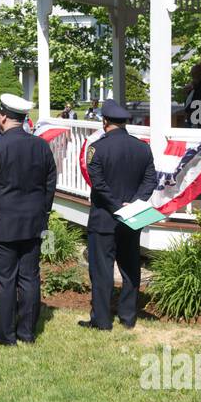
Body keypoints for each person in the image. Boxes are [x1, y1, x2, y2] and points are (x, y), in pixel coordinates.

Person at [0, 94, 57, 346]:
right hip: (32, 223)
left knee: (3, 281)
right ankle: (26, 333)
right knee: (29, 278)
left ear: (5, 117)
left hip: (0, 225)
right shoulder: (41, 146)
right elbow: (50, 182)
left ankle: (5, 335)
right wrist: (43, 213)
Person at [80, 102, 157, 331]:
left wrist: (116, 206)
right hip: (132, 218)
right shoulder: (142, 147)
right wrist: (132, 204)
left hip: (104, 218)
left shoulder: (97, 148)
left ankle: (102, 321)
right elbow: (150, 180)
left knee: (101, 271)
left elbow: (99, 185)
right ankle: (128, 317)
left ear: (104, 122)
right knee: (131, 268)